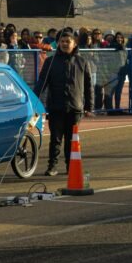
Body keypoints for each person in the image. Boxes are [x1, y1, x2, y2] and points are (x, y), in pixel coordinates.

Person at [35, 29, 93, 176]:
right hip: (56, 106)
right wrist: (35, 101)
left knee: (71, 140)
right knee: (55, 139)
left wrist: (89, 106)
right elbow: (42, 82)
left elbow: (88, 85)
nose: (65, 44)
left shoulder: (82, 62)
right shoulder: (50, 62)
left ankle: (70, 166)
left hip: (75, 108)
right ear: (58, 43)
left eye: (68, 41)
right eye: (62, 41)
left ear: (74, 43)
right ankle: (52, 166)